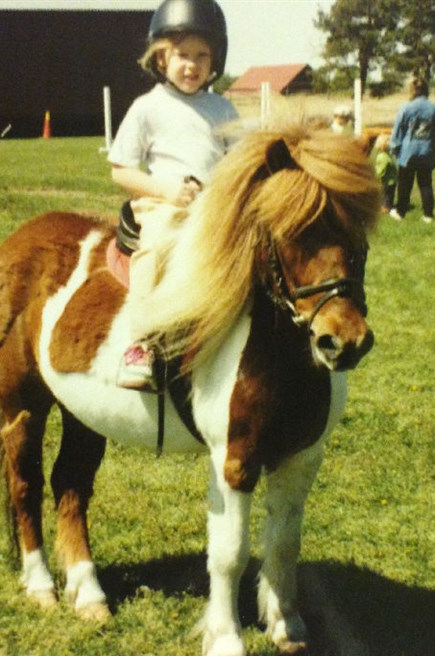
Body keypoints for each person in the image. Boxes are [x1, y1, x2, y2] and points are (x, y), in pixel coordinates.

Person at [107, 0, 238, 390]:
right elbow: (121, 169)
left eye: (202, 55)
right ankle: (141, 343)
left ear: (215, 60)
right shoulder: (148, 108)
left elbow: (239, 162)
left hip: (212, 206)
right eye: (182, 55)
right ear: (161, 58)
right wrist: (167, 190)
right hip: (161, 204)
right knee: (157, 245)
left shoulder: (223, 109)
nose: (192, 65)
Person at [388, 77, 435, 223]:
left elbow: (398, 130)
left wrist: (394, 148)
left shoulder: (406, 108)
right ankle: (428, 215)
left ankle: (400, 212)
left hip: (408, 153)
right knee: (425, 184)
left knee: (404, 184)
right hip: (427, 151)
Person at [371, 133, 397, 212]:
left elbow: (381, 169)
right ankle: (389, 205)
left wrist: (375, 177)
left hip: (386, 180)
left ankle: (385, 207)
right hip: (393, 179)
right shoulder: (389, 155)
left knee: (385, 194)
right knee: (390, 194)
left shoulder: (382, 156)